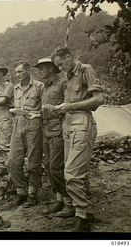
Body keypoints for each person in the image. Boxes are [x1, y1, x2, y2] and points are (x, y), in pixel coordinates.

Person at [51, 47, 105, 231]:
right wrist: (60, 108)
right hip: (69, 124)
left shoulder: (85, 70)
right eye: (58, 66)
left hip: (82, 123)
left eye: (61, 63)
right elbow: (70, 104)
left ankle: (82, 216)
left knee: (72, 173)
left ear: (69, 57)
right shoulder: (69, 76)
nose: (60, 68)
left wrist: (70, 106)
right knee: (74, 171)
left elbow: (98, 100)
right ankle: (82, 210)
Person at [34, 57, 70, 215]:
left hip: (58, 130)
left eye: (42, 68)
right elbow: (44, 110)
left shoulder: (62, 83)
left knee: (57, 167)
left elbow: (69, 106)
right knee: (48, 166)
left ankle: (70, 202)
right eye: (39, 68)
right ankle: (59, 199)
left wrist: (57, 112)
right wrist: (35, 114)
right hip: (46, 131)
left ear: (51, 68)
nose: (40, 71)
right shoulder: (44, 88)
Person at [8, 61, 44, 208]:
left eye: (20, 72)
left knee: (33, 162)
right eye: (16, 72)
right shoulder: (15, 89)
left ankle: (32, 193)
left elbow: (44, 110)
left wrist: (32, 114)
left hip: (33, 126)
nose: (18, 75)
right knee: (12, 161)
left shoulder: (39, 87)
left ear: (28, 70)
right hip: (17, 125)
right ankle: (21, 191)